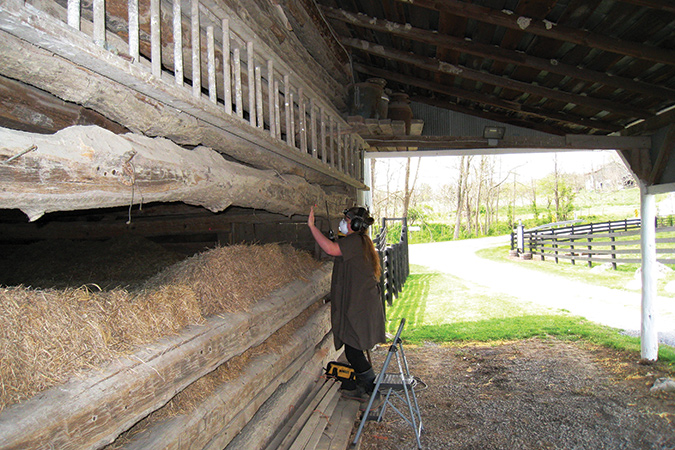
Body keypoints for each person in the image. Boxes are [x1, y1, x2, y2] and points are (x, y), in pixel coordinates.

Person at [307, 205, 386, 404]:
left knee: (353, 348)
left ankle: (371, 388)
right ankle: (363, 386)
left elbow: (330, 249)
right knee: (354, 347)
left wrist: (312, 226)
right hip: (361, 303)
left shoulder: (355, 241)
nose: (344, 222)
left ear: (356, 224)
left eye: (348, 220)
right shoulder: (357, 241)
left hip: (360, 305)